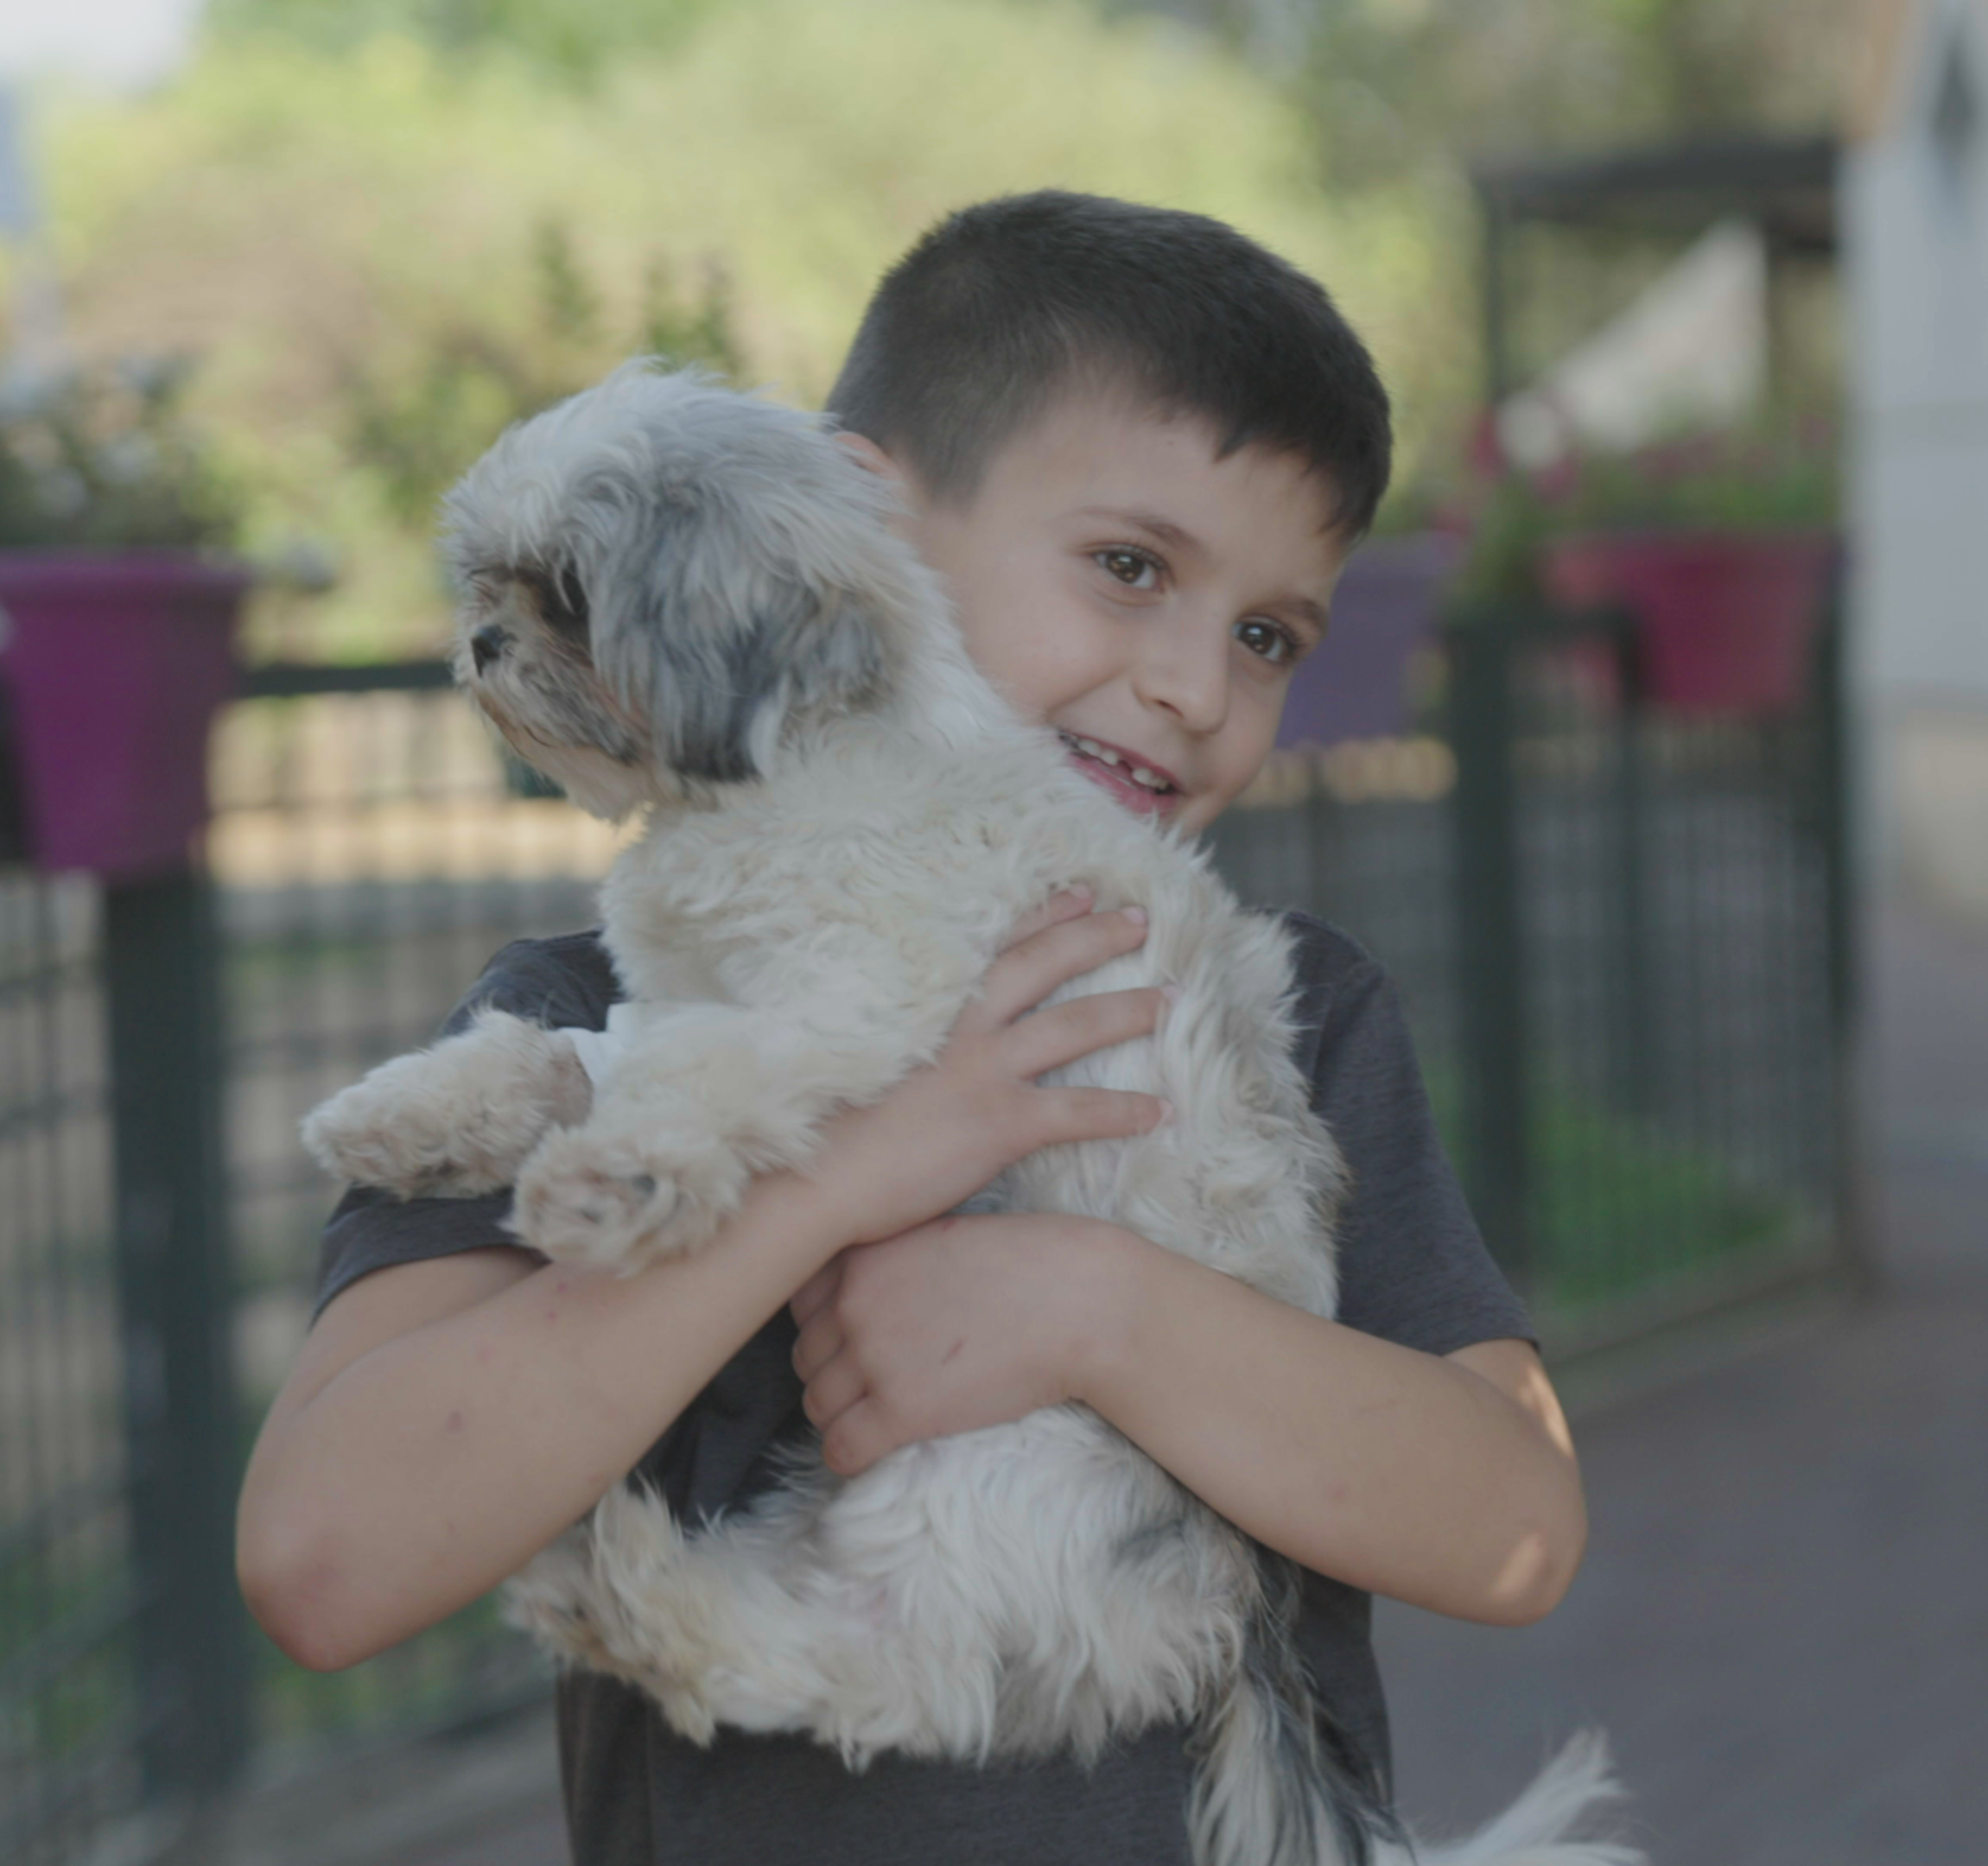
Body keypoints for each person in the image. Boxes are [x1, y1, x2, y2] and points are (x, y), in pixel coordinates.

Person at [236, 190, 1591, 1865]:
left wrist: (1092, 1308)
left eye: (1265, 635)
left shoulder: (1272, 1007)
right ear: (864, 516)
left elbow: (1516, 1532)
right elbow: (326, 1561)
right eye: (1127, 567)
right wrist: (839, 1176)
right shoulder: (584, 1023)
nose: (1194, 685)